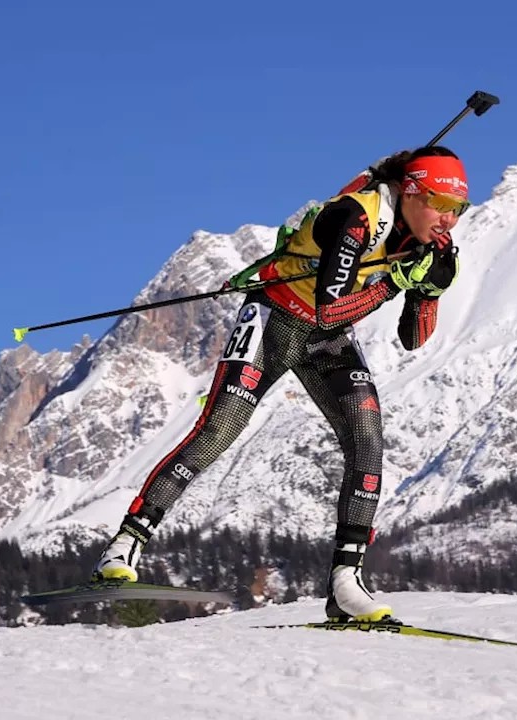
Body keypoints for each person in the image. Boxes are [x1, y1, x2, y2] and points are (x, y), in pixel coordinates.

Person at [89, 146, 470, 623]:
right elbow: (330, 307)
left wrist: (428, 293)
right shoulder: (357, 216)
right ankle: (124, 544)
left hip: (326, 339)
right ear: (410, 193)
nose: (449, 220)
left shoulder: (426, 240)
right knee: (218, 432)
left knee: (367, 440)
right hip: (275, 319)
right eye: (441, 204)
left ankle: (345, 584)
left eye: (459, 209)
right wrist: (395, 282)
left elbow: (412, 338)